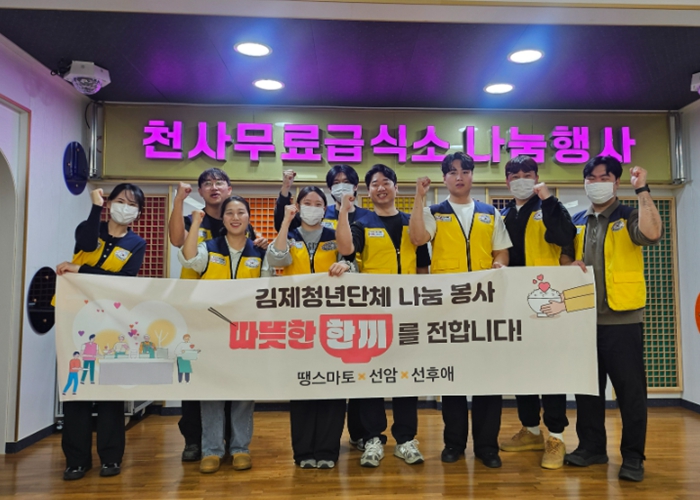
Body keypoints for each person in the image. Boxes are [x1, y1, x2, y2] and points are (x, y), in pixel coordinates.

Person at [408, 152, 511, 468]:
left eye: (465, 171)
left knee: (488, 380)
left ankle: (487, 446)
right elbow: (417, 238)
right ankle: (453, 443)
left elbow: (501, 252)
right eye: (452, 172)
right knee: (451, 378)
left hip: (485, 306)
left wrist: (499, 264)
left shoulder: (490, 212)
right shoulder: (434, 212)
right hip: (447, 309)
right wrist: (419, 197)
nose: (459, 177)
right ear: (444, 178)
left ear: (472, 175)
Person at [563, 156, 662, 482]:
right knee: (587, 391)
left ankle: (633, 456)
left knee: (630, 393)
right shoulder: (578, 219)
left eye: (603, 177)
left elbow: (652, 234)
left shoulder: (628, 214)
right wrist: (568, 264)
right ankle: (592, 448)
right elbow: (565, 258)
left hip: (622, 319)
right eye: (590, 178)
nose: (596, 183)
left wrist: (642, 190)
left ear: (616, 182)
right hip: (583, 319)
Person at [168, 167, 267, 462]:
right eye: (207, 184)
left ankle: (238, 446)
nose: (235, 217)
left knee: (241, 388)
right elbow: (182, 248)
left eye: (219, 182)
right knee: (204, 386)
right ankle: (203, 445)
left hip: (244, 326)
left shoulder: (254, 244)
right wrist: (183, 206)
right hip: (203, 320)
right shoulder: (199, 233)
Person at [336, 164, 430, 468]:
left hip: (408, 313)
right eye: (374, 183)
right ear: (368, 191)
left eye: (386, 182)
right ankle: (373, 438)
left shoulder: (411, 223)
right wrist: (344, 211)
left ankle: (406, 439)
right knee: (371, 377)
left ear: (395, 187)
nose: (381, 187)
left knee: (406, 377)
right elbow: (346, 250)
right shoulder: (362, 223)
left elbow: (422, 266)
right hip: (372, 314)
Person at [56, 184, 147, 481]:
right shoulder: (89, 228)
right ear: (109, 204)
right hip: (74, 316)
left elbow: (124, 281)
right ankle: (76, 460)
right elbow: (84, 243)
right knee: (76, 386)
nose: (125, 207)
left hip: (111, 320)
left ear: (138, 212)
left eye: (132, 204)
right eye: (120, 201)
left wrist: (80, 270)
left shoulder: (137, 243)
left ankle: (111, 457)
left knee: (110, 389)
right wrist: (95, 207)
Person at [497, 155, 576, 470]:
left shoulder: (550, 207)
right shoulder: (502, 215)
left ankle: (556, 436)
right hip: (513, 303)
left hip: (546, 301)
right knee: (522, 368)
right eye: (515, 175)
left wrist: (548, 200)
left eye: (527, 174)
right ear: (507, 181)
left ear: (537, 177)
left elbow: (566, 237)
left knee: (551, 368)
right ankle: (530, 430)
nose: (521, 180)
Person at [268, 186, 354, 469]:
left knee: (333, 386)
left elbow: (352, 261)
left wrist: (346, 267)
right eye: (307, 203)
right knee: (303, 385)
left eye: (318, 204)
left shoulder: (334, 235)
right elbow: (276, 259)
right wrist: (285, 221)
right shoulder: (290, 235)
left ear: (325, 208)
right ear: (298, 205)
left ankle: (328, 450)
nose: (313, 208)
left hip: (334, 323)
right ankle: (303, 452)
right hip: (299, 324)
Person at [273, 165, 371, 232]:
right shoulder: (320, 212)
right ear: (330, 188)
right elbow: (282, 226)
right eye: (336, 183)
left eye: (346, 182)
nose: (341, 186)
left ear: (355, 186)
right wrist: (285, 188)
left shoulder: (368, 217)